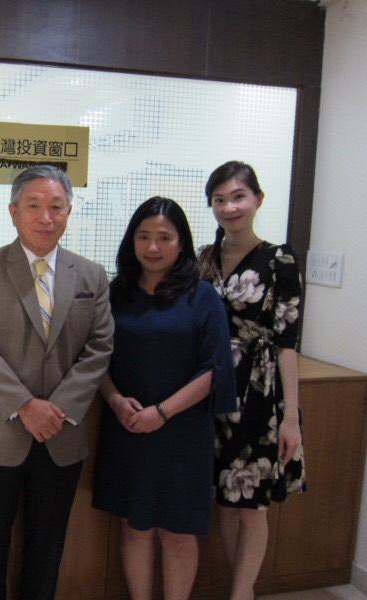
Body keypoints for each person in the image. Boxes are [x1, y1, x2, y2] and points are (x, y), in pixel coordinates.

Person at [0, 165, 114, 600]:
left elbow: (99, 349)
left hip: (60, 434)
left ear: (68, 212)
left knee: (47, 547)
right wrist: (25, 405)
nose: (46, 216)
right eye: (34, 206)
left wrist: (54, 409)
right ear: (13, 212)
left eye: (56, 207)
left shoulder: (91, 275)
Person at [92, 196, 236, 600]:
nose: (152, 247)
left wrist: (163, 412)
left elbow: (215, 368)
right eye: (143, 236)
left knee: (177, 532)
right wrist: (116, 400)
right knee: (134, 527)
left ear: (181, 243)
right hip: (128, 425)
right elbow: (96, 357)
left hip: (182, 431)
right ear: (131, 241)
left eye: (164, 238)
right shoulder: (115, 292)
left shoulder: (202, 296)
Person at [199, 161, 306, 600]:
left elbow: (287, 344)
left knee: (251, 506)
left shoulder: (280, 260)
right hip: (210, 387)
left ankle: (242, 594)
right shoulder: (203, 259)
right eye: (220, 199)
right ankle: (234, 585)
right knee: (225, 499)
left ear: (257, 199)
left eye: (238, 196)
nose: (229, 207)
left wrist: (291, 419)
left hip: (260, 392)